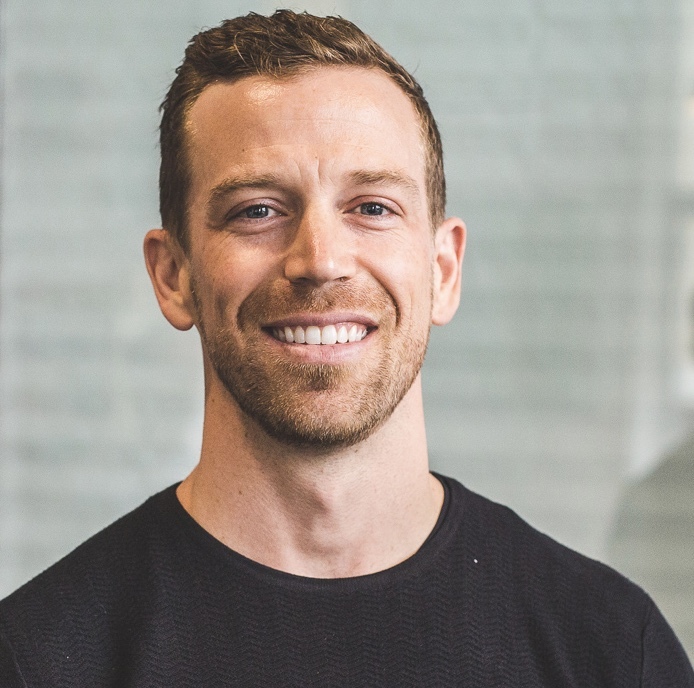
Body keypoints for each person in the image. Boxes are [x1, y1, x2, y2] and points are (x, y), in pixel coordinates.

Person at [0, 10, 692, 687]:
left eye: (371, 207)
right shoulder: (36, 657)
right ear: (172, 275)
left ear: (444, 271)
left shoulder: (610, 651)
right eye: (257, 210)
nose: (321, 259)